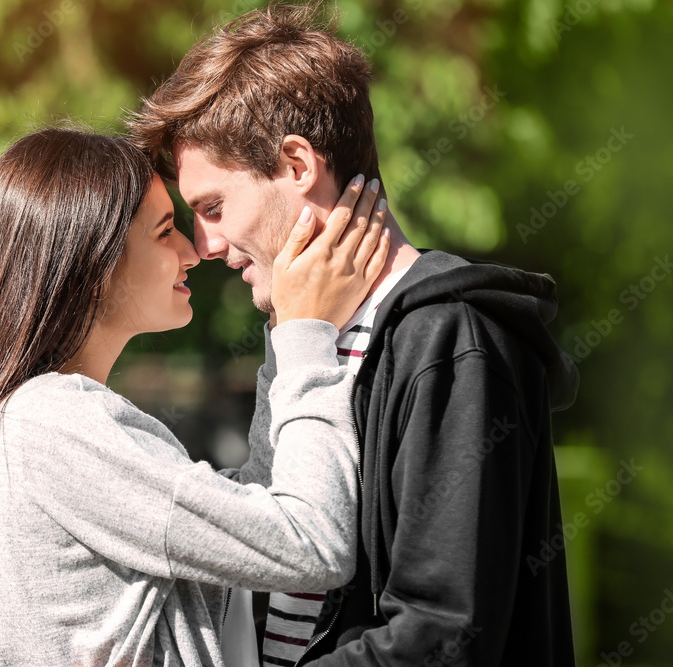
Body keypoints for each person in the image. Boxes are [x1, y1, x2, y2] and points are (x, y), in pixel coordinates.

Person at [128, 4, 580, 666]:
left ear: (297, 164)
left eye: (214, 208)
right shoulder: (300, 335)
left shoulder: (452, 338)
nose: (208, 245)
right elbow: (265, 538)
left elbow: (443, 634)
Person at [0, 127, 393, 666]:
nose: (193, 251)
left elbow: (255, 510)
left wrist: (289, 321)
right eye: (165, 231)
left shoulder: (40, 420)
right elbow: (309, 542)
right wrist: (308, 335)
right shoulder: (51, 423)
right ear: (92, 263)